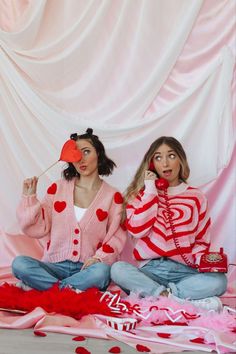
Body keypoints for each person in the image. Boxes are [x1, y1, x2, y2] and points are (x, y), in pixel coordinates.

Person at [111, 136, 227, 311]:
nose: (165, 163)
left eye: (171, 156)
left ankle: (161, 296)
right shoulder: (141, 195)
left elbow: (202, 240)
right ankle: (178, 299)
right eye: (158, 158)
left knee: (220, 281)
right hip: (150, 269)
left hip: (184, 270)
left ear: (181, 160)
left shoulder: (196, 197)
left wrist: (202, 264)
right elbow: (137, 230)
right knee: (117, 269)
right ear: (151, 164)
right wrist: (150, 189)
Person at [12, 128, 127, 292]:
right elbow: (37, 228)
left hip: (86, 270)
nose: (81, 158)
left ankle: (46, 288)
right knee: (19, 264)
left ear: (99, 155)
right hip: (53, 266)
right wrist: (29, 198)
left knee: (102, 272)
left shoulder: (113, 196)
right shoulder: (58, 188)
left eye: (86, 152)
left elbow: (116, 237)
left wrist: (99, 258)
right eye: (76, 154)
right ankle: (68, 291)